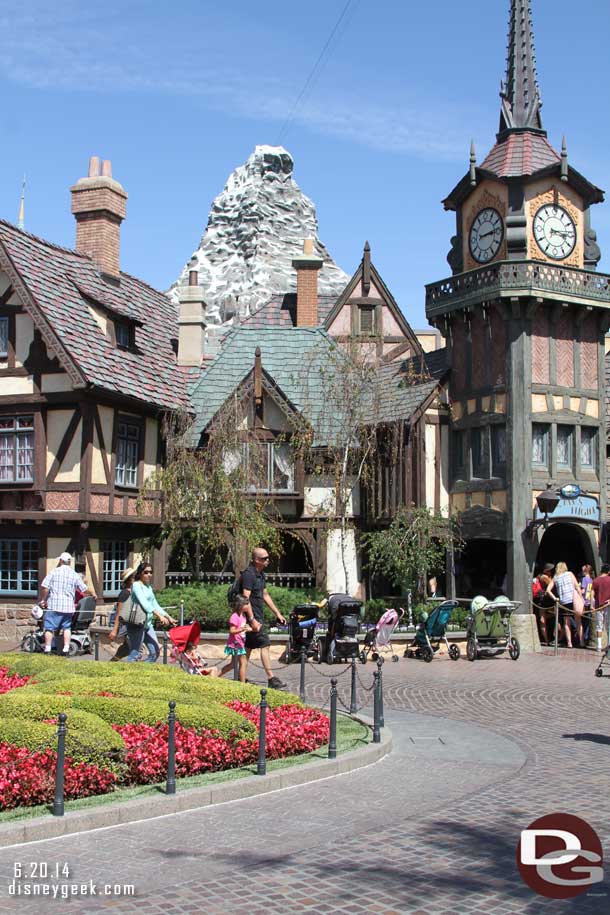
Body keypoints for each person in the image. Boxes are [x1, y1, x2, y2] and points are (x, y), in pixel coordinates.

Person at [240, 547, 287, 690]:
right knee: (265, 644)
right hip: (252, 618)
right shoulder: (249, 575)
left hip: (257, 616)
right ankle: (271, 678)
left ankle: (240, 678)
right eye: (264, 558)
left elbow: (265, 595)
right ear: (256, 560)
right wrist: (252, 620)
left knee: (247, 649)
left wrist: (277, 614)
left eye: (268, 557)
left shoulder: (261, 574)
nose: (268, 560)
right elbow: (245, 599)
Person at [39, 552, 95, 655]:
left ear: (60, 561)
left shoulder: (54, 572)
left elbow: (45, 587)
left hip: (54, 605)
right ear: (69, 563)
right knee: (66, 628)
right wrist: (93, 594)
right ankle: (65, 649)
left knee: (49, 628)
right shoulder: (74, 574)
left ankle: (48, 649)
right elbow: (84, 589)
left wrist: (44, 599)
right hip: (68, 607)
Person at [126, 562, 177, 662]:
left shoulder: (148, 586)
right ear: (140, 573)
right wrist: (159, 616)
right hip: (136, 624)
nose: (149, 574)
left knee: (155, 653)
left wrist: (167, 616)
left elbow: (155, 604)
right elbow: (144, 603)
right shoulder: (136, 585)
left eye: (151, 572)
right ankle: (127, 675)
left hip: (147, 624)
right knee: (135, 653)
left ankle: (142, 673)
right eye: (146, 572)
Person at [215, 594, 252, 683]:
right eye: (246, 604)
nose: (248, 606)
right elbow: (232, 631)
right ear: (240, 605)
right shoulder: (234, 616)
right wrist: (242, 629)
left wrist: (247, 628)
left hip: (240, 643)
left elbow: (242, 627)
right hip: (235, 644)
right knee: (242, 663)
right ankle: (242, 683)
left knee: (233, 664)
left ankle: (215, 676)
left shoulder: (243, 615)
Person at [546, 561, 583, 648]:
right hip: (573, 599)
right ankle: (582, 642)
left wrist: (555, 598)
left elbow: (548, 590)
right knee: (578, 622)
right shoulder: (570, 574)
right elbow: (577, 586)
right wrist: (581, 598)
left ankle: (569, 643)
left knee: (566, 623)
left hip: (563, 601)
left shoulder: (556, 577)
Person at [108, 567, 135, 661]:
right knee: (134, 648)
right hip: (126, 624)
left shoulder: (135, 592)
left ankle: (113, 662)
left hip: (134, 623)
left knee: (127, 648)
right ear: (129, 579)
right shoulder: (124, 594)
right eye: (133, 576)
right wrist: (115, 630)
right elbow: (119, 612)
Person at [533, 563, 555, 645]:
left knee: (548, 618)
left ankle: (548, 639)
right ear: (546, 571)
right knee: (543, 620)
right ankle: (547, 640)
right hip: (544, 600)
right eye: (550, 570)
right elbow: (553, 584)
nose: (552, 571)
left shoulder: (542, 576)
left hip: (545, 601)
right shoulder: (544, 577)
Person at [592, 563, 610, 651]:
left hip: (598, 606)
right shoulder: (609, 580)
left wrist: (592, 605)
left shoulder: (595, 580)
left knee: (599, 626)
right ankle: (609, 644)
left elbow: (592, 594)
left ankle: (599, 646)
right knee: (608, 625)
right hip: (608, 606)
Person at [580, 564, 594, 645]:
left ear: (585, 571)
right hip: (590, 601)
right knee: (588, 620)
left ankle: (584, 637)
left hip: (585, 601)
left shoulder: (584, 579)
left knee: (584, 621)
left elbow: (583, 590)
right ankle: (587, 637)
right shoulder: (592, 579)